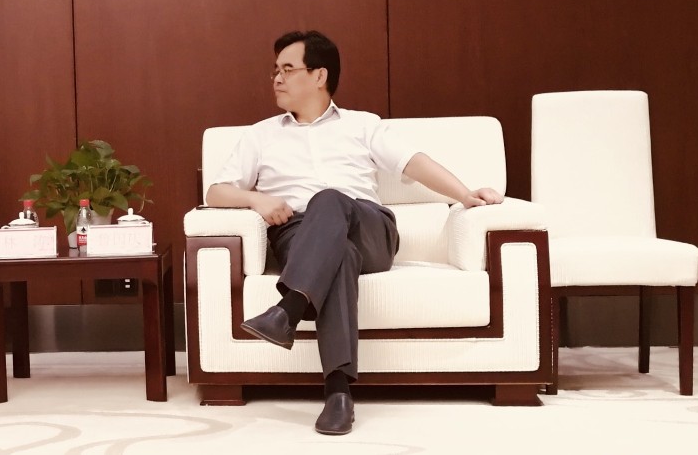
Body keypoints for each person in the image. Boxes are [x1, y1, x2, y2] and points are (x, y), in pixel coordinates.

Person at [206, 31, 502, 436]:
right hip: (299, 234)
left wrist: (465, 195)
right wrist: (255, 199)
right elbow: (215, 192)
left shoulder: (363, 125)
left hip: (368, 227)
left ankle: (289, 308)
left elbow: (414, 162)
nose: (276, 78)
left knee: (330, 199)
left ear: (319, 75)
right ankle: (338, 394)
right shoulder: (260, 134)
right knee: (339, 256)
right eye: (274, 71)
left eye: (288, 69)